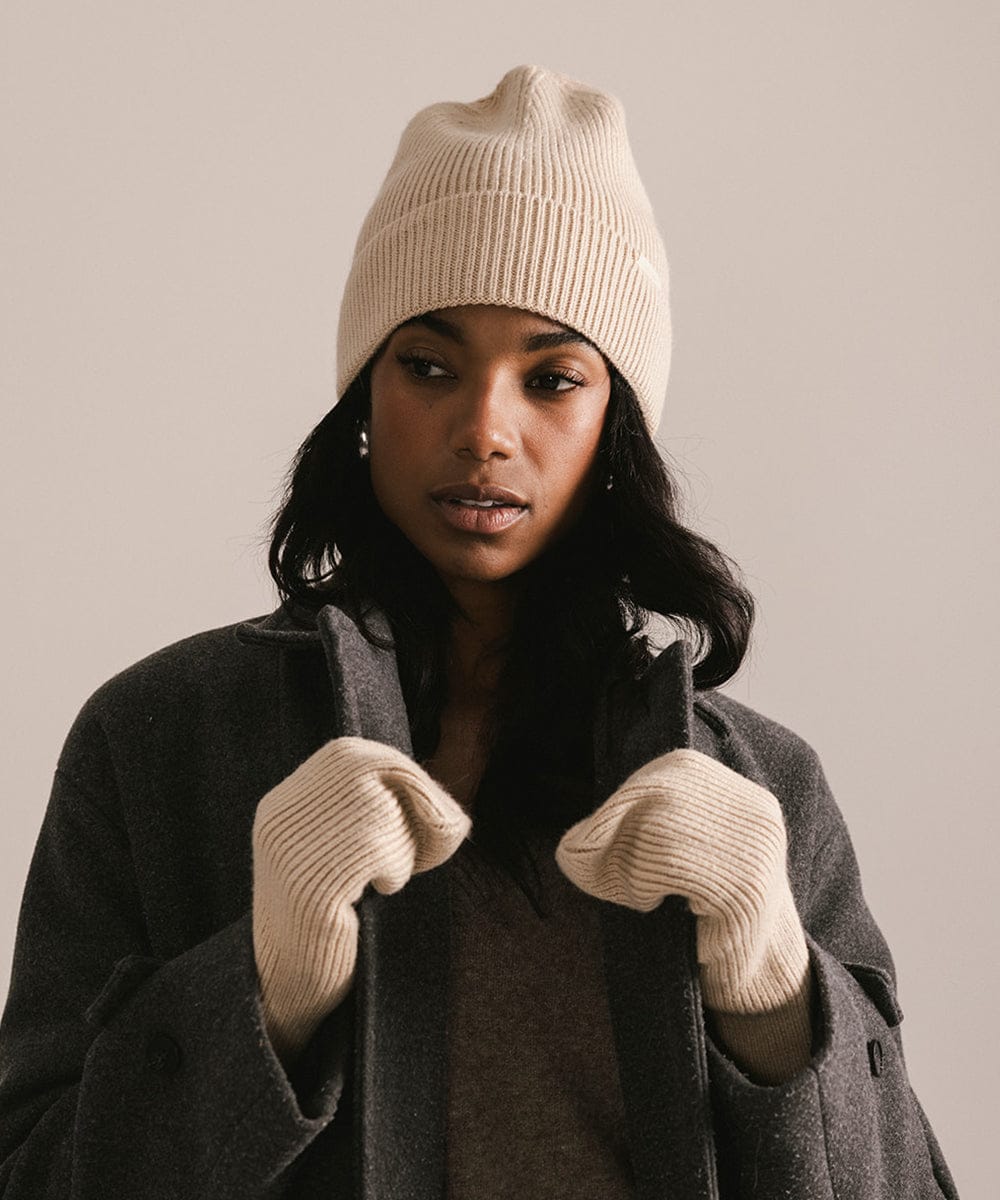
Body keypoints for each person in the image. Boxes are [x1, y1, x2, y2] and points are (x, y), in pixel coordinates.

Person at [0, 64, 957, 1199]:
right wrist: (259, 989)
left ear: (616, 427)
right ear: (365, 395)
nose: (485, 428)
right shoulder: (158, 739)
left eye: (552, 377)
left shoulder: (763, 785)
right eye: (430, 365)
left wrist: (772, 987)